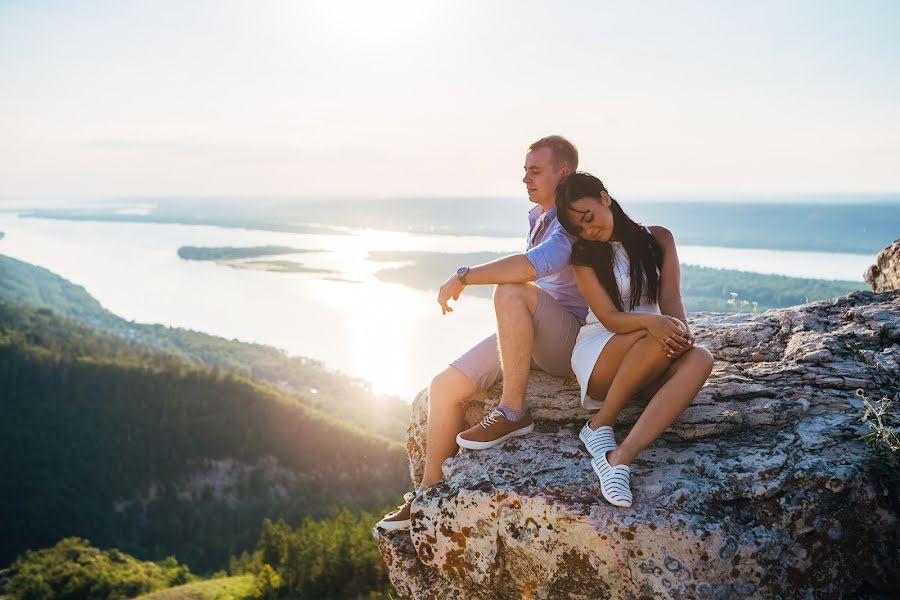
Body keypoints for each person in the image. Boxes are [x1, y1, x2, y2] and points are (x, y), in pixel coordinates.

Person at [376, 136, 588, 530]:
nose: (525, 178)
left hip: (567, 343)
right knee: (444, 385)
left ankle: (512, 411)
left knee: (511, 289)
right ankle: (427, 495)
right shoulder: (538, 216)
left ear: (564, 173)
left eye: (535, 170)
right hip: (537, 331)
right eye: (525, 170)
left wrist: (465, 277)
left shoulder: (573, 217)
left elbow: (536, 266)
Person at [554, 172, 714, 508]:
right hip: (602, 349)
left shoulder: (658, 239)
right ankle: (600, 423)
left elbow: (670, 297)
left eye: (589, 218)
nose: (589, 230)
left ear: (605, 198)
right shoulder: (584, 257)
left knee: (701, 357)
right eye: (579, 228)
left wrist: (680, 332)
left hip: (649, 350)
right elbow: (610, 318)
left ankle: (619, 458)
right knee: (656, 335)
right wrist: (656, 324)